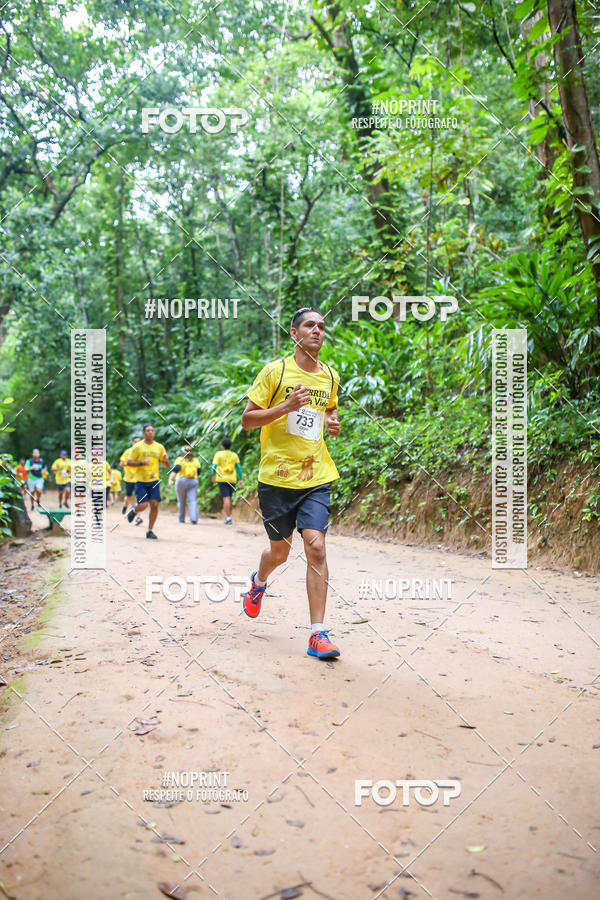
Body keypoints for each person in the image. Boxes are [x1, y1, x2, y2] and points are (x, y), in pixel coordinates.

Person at [240, 306, 341, 660]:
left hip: (316, 475)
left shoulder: (329, 375)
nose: (317, 331)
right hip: (276, 479)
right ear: (294, 334)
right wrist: (284, 408)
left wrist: (332, 420)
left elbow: (329, 407)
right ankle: (259, 582)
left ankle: (317, 634)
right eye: (310, 326)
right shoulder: (275, 371)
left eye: (322, 327)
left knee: (316, 547)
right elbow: (248, 420)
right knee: (279, 552)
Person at [126, 424, 169, 539]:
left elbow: (165, 465)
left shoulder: (159, 447)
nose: (150, 432)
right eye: (148, 430)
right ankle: (134, 509)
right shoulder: (138, 447)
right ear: (144, 433)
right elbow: (128, 462)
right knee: (143, 505)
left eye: (152, 430)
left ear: (154, 433)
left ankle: (150, 530)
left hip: (154, 480)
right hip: (141, 481)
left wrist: (166, 460)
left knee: (154, 504)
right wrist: (141, 463)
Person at [211, 438, 243, 524]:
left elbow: (214, 466)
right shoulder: (234, 455)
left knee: (226, 497)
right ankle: (229, 517)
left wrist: (213, 475)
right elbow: (239, 468)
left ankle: (228, 518)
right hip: (232, 479)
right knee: (229, 497)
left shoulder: (218, 454)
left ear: (222, 446)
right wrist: (240, 479)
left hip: (222, 479)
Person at [168, 445, 201, 524]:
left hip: (181, 481)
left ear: (182, 452)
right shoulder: (195, 460)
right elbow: (199, 471)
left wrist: (170, 479)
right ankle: (193, 518)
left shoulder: (180, 459)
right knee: (192, 500)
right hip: (193, 481)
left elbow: (176, 469)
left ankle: (181, 519)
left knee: (181, 501)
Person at [120, 434, 141, 516]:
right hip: (129, 478)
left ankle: (138, 517)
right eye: (135, 442)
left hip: (139, 479)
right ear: (132, 442)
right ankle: (125, 505)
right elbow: (121, 464)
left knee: (138, 498)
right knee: (128, 497)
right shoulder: (128, 451)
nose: (137, 443)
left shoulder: (142, 453)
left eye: (139, 442)